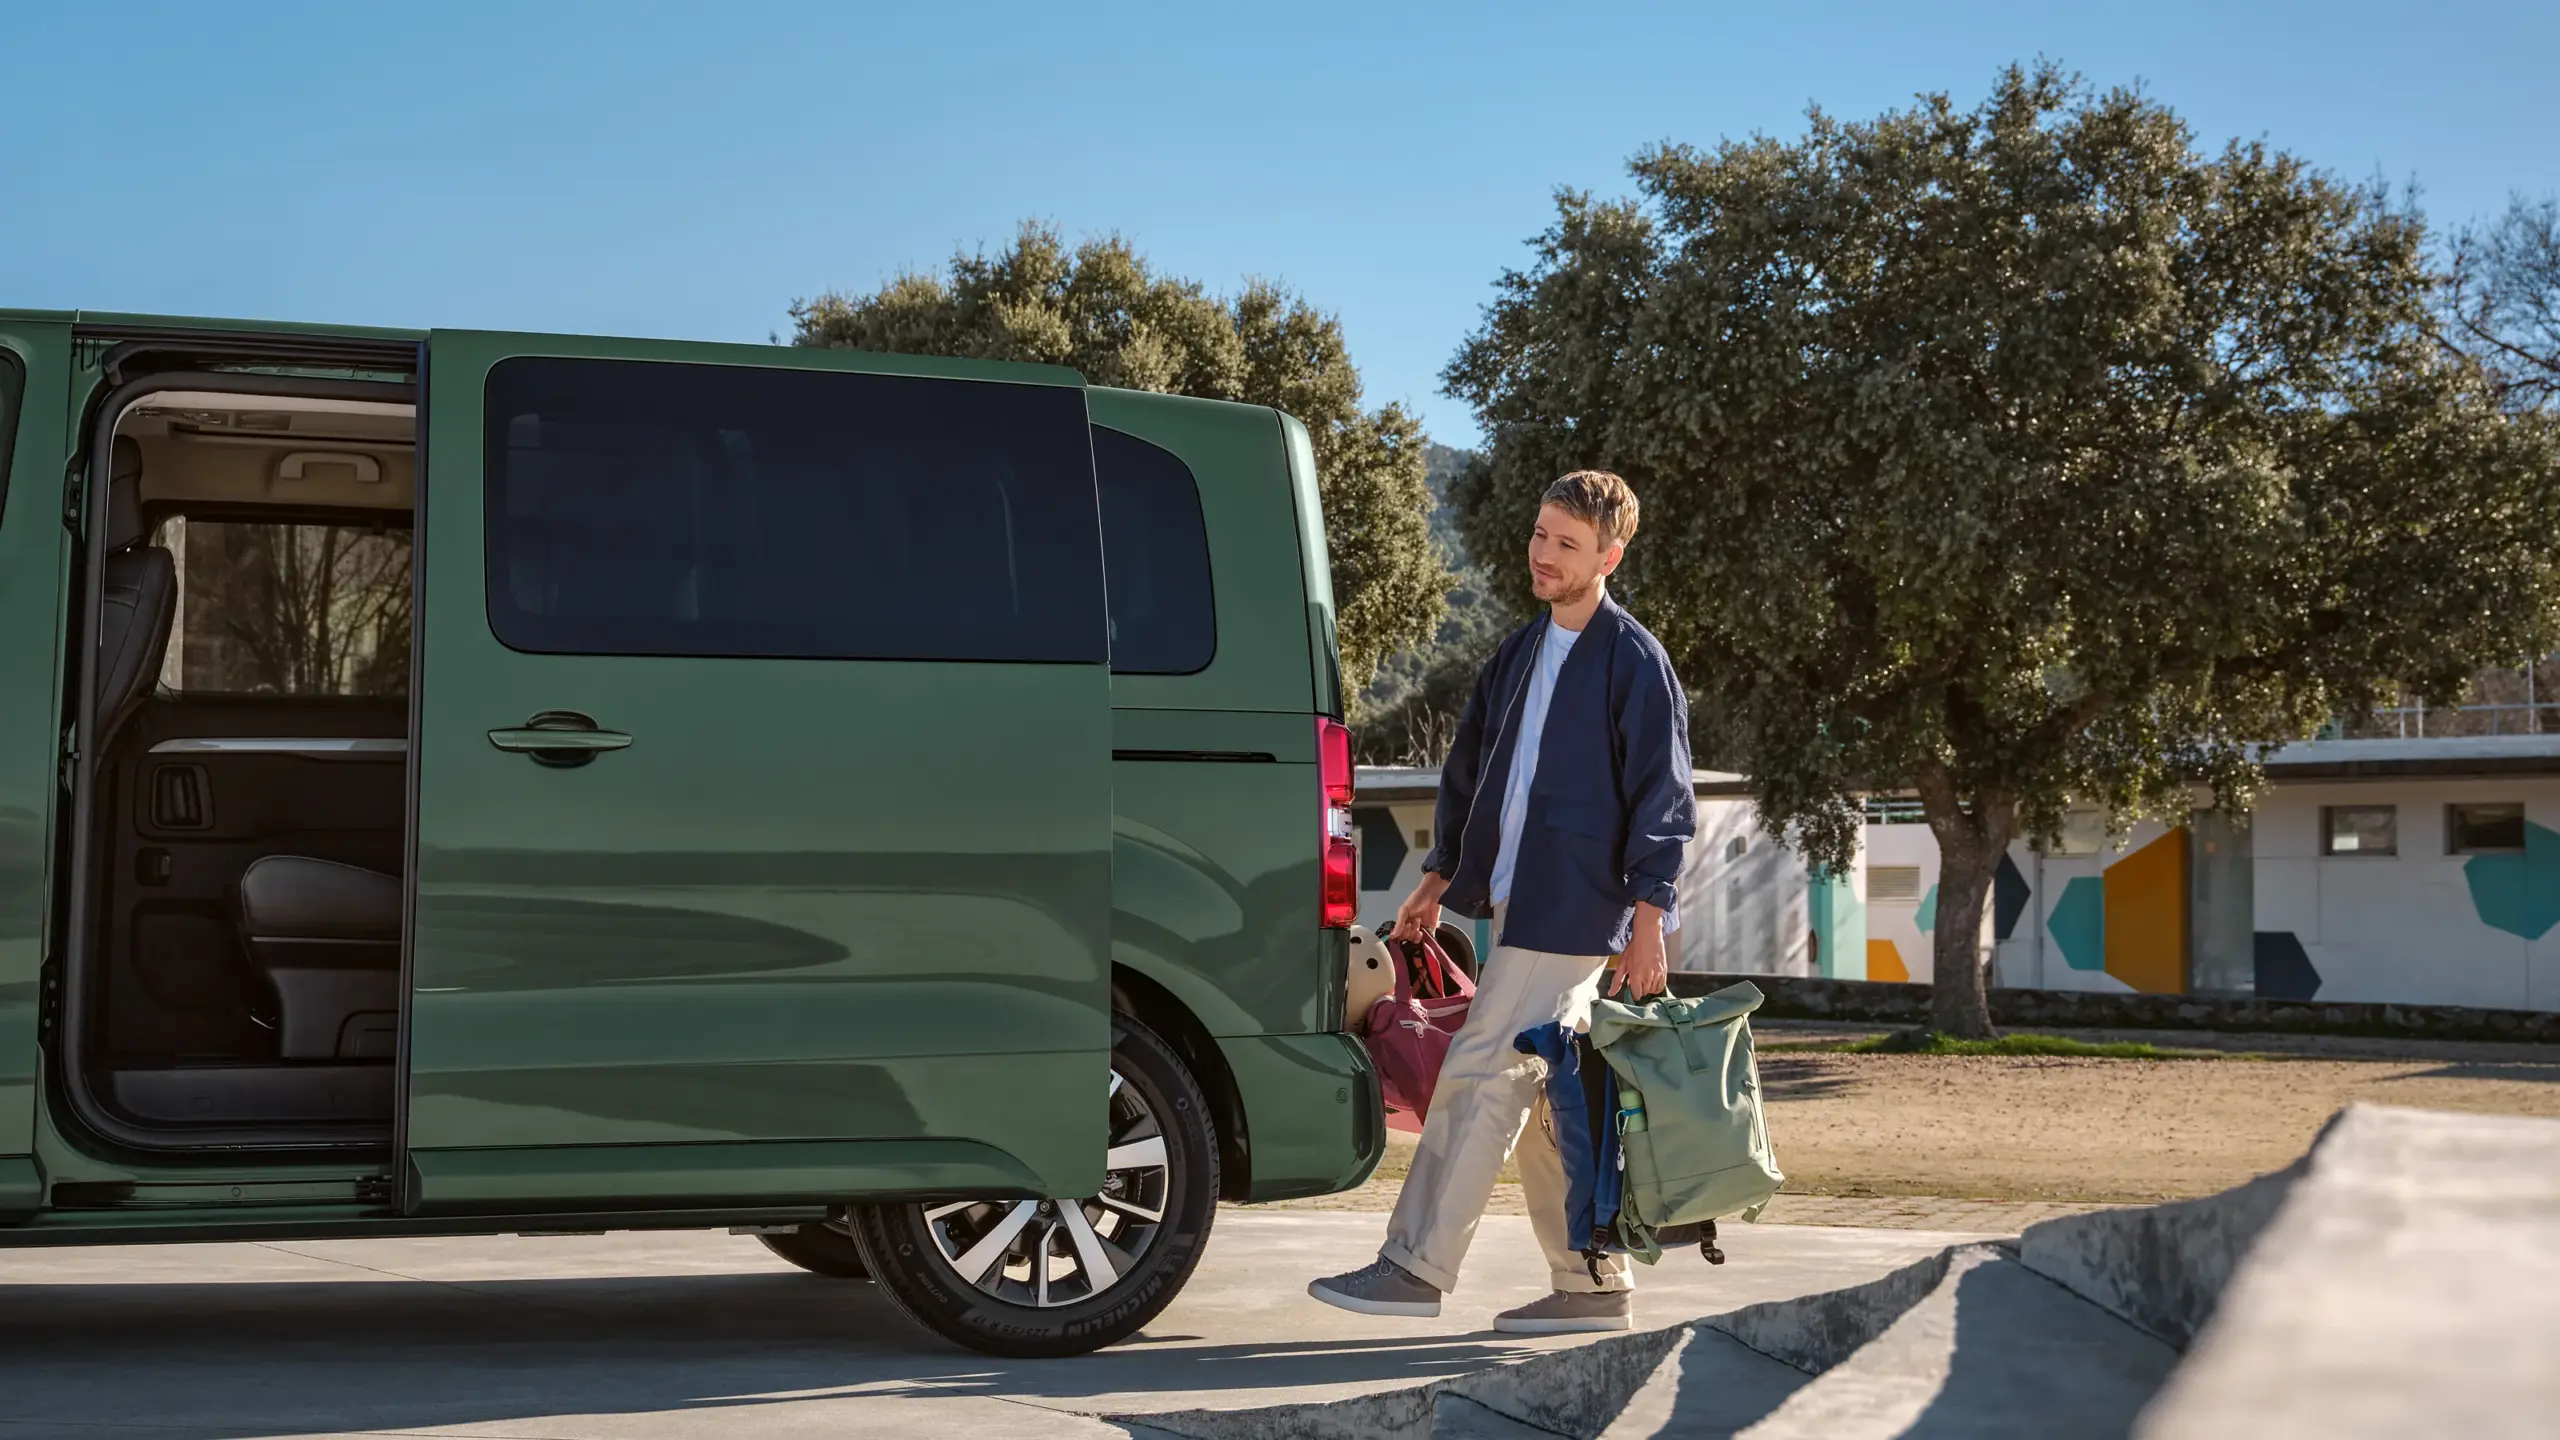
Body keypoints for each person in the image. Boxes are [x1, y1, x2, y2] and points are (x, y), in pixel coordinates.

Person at [1310, 470, 1694, 1335]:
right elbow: (1474, 776)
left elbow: (1663, 798)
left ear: (1610, 555)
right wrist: (1441, 879)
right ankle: (1593, 1284)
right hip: (1517, 906)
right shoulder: (1520, 653)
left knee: (1479, 1068)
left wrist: (1649, 919)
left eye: (1567, 542)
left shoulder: (1633, 660)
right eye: (1540, 535)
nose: (1544, 554)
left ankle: (1414, 1265)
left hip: (1578, 910)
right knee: (1545, 1099)